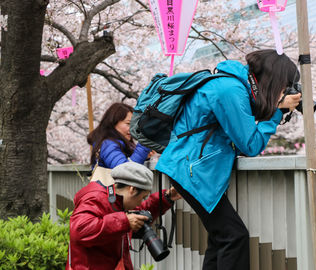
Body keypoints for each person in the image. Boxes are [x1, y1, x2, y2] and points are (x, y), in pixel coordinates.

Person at [155, 49, 301, 270]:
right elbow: (250, 145)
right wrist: (276, 112)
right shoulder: (230, 89)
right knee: (234, 237)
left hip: (189, 168)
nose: (284, 90)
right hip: (192, 170)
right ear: (275, 79)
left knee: (221, 238)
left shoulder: (231, 84)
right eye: (285, 84)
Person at [67, 161, 181, 270]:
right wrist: (124, 222)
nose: (141, 202)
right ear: (132, 189)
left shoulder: (115, 199)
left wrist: (166, 198)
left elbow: (138, 211)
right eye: (142, 197)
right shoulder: (95, 198)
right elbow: (79, 230)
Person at [87, 102, 151, 168]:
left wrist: (144, 156)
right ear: (113, 122)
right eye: (128, 124)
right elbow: (124, 170)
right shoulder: (108, 145)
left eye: (134, 125)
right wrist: (144, 145)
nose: (133, 129)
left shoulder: (116, 143)